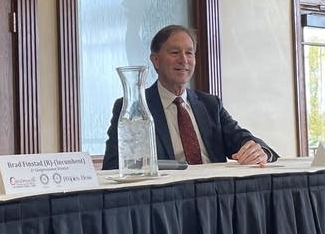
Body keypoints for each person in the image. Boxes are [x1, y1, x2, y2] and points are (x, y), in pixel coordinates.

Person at [103, 24, 279, 169]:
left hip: (215, 196)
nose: (184, 60)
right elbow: (113, 166)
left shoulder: (210, 105)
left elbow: (240, 139)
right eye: (174, 53)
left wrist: (260, 151)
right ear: (155, 60)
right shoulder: (135, 107)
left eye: (189, 52)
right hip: (166, 199)